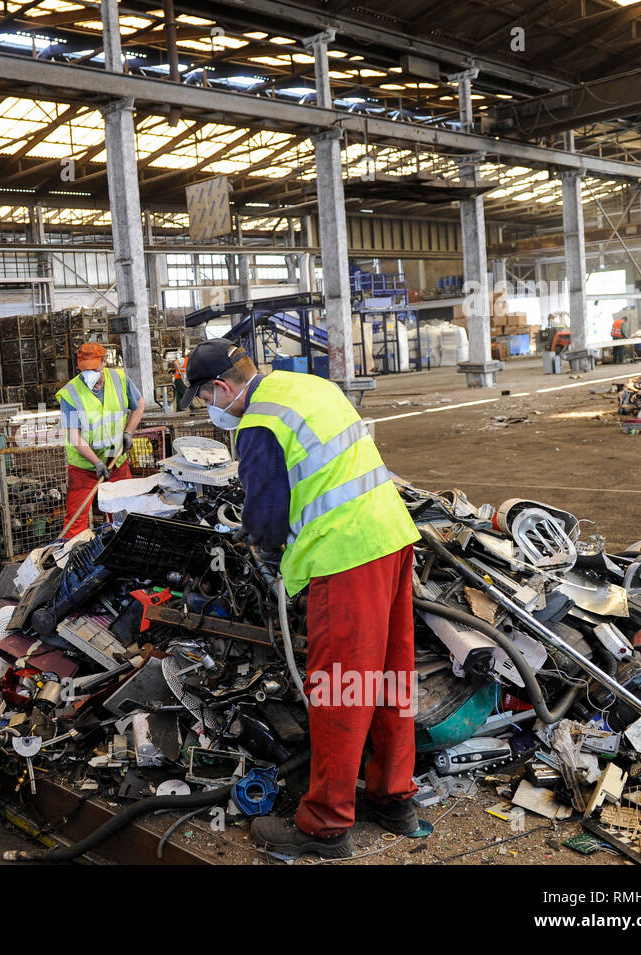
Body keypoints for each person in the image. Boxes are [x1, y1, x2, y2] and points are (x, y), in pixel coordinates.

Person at [179, 338, 420, 859]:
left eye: (203, 399)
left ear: (220, 387)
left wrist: (261, 551)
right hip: (393, 540)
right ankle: (393, 798)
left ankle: (325, 827)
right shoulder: (308, 385)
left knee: (339, 691)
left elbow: (266, 519)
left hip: (344, 556)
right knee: (390, 678)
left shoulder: (259, 422)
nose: (208, 410)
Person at [56, 341, 145, 538]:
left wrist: (128, 432)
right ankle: (70, 558)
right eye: (85, 370)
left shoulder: (120, 379)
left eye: (94, 369)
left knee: (124, 513)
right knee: (75, 522)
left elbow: (138, 405)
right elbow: (74, 435)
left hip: (115, 456)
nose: (90, 375)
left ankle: (125, 551)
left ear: (104, 362)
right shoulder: (70, 394)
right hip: (84, 465)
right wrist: (95, 462)